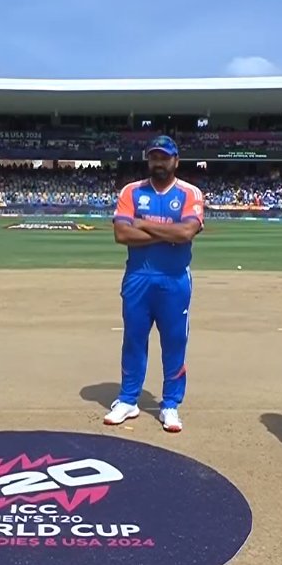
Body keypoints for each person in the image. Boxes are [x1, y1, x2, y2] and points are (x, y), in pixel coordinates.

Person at [104, 135, 204, 432]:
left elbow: (185, 234)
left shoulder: (189, 193)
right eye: (154, 157)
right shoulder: (131, 191)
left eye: (164, 157)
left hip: (174, 280)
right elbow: (122, 234)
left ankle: (170, 404)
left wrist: (144, 224)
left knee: (174, 341)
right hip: (138, 278)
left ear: (176, 161)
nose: (159, 162)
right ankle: (128, 399)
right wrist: (168, 233)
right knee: (134, 339)